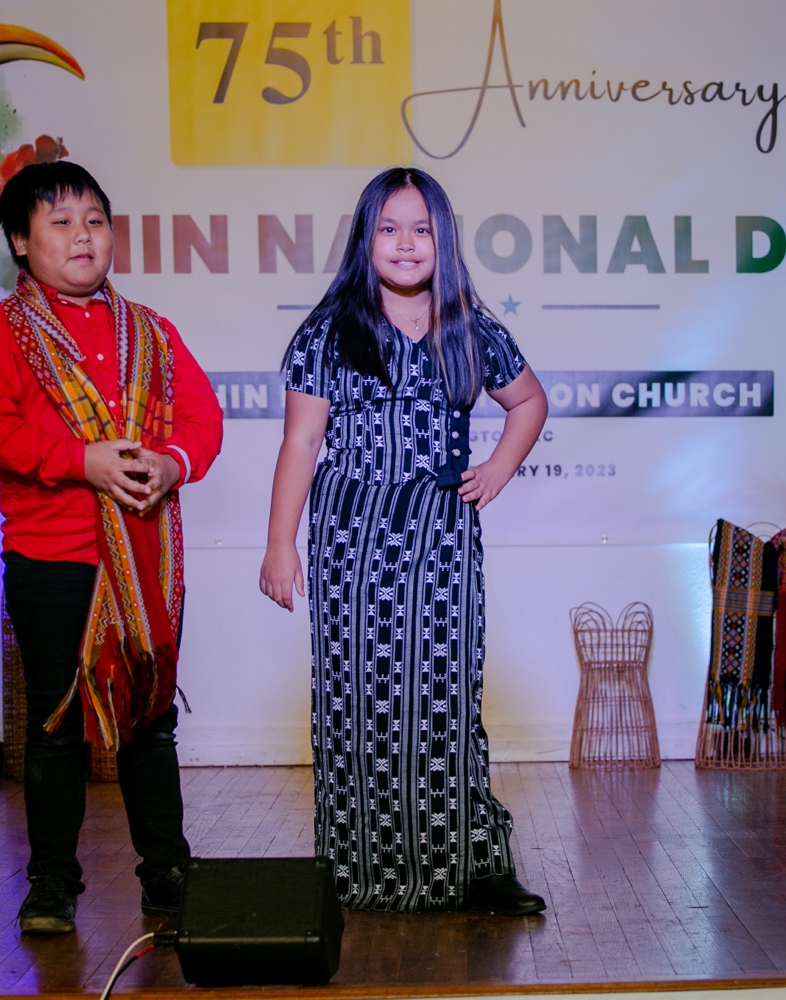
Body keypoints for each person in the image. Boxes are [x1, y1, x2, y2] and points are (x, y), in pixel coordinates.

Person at [259, 167, 549, 914]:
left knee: (446, 698)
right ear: (365, 240)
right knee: (357, 699)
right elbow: (300, 443)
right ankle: (358, 868)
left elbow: (528, 402)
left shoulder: (470, 327)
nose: (406, 243)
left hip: (440, 536)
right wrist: (281, 544)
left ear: (443, 241)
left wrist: (497, 469)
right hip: (351, 537)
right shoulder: (328, 332)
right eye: (389, 228)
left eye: (422, 229)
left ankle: (476, 865)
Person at [0, 161, 223, 934]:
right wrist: (83, 461)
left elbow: (202, 420)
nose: (83, 236)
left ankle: (167, 875)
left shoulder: (151, 330)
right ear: (19, 240)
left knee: (150, 720)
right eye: (61, 222)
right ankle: (52, 884)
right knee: (56, 726)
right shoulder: (0, 331)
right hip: (52, 560)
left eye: (95, 221)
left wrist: (172, 464)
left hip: (144, 558)